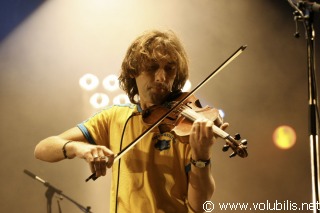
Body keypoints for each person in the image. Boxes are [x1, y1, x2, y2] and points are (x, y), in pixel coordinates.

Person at [34, 29, 228, 213]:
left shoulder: (186, 127)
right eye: (152, 68)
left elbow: (200, 206)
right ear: (133, 70)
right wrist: (79, 148)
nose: (162, 77)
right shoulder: (114, 117)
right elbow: (43, 149)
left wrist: (201, 156)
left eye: (169, 69)